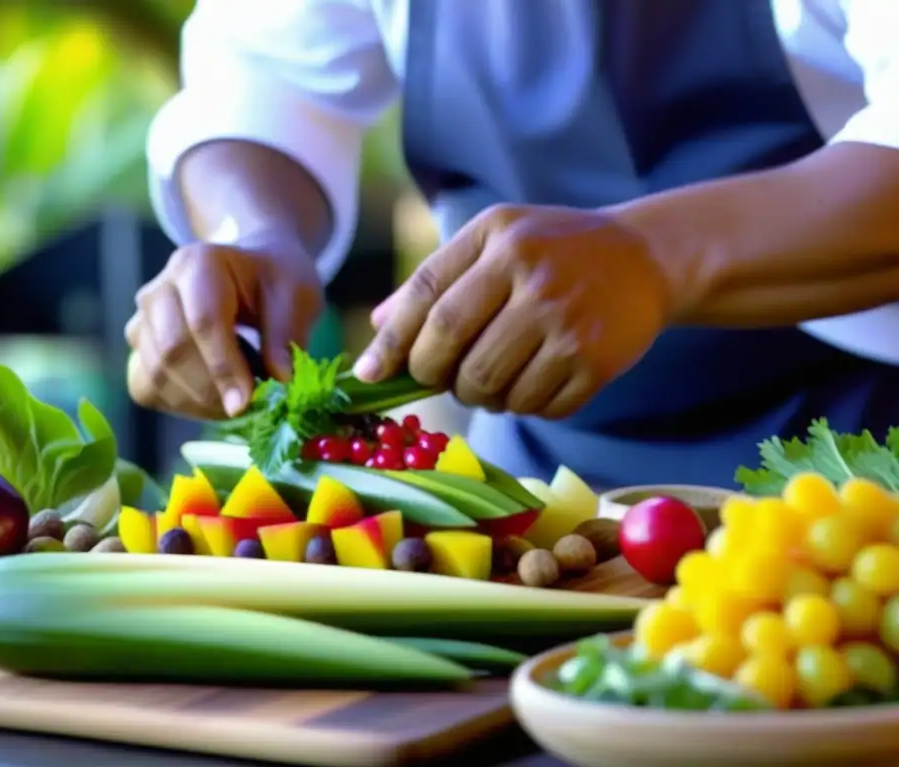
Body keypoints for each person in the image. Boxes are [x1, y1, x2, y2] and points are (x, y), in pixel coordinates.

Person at [127, 0, 899, 489]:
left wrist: (653, 257)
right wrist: (253, 232)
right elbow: (262, 81)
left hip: (859, 467)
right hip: (541, 490)